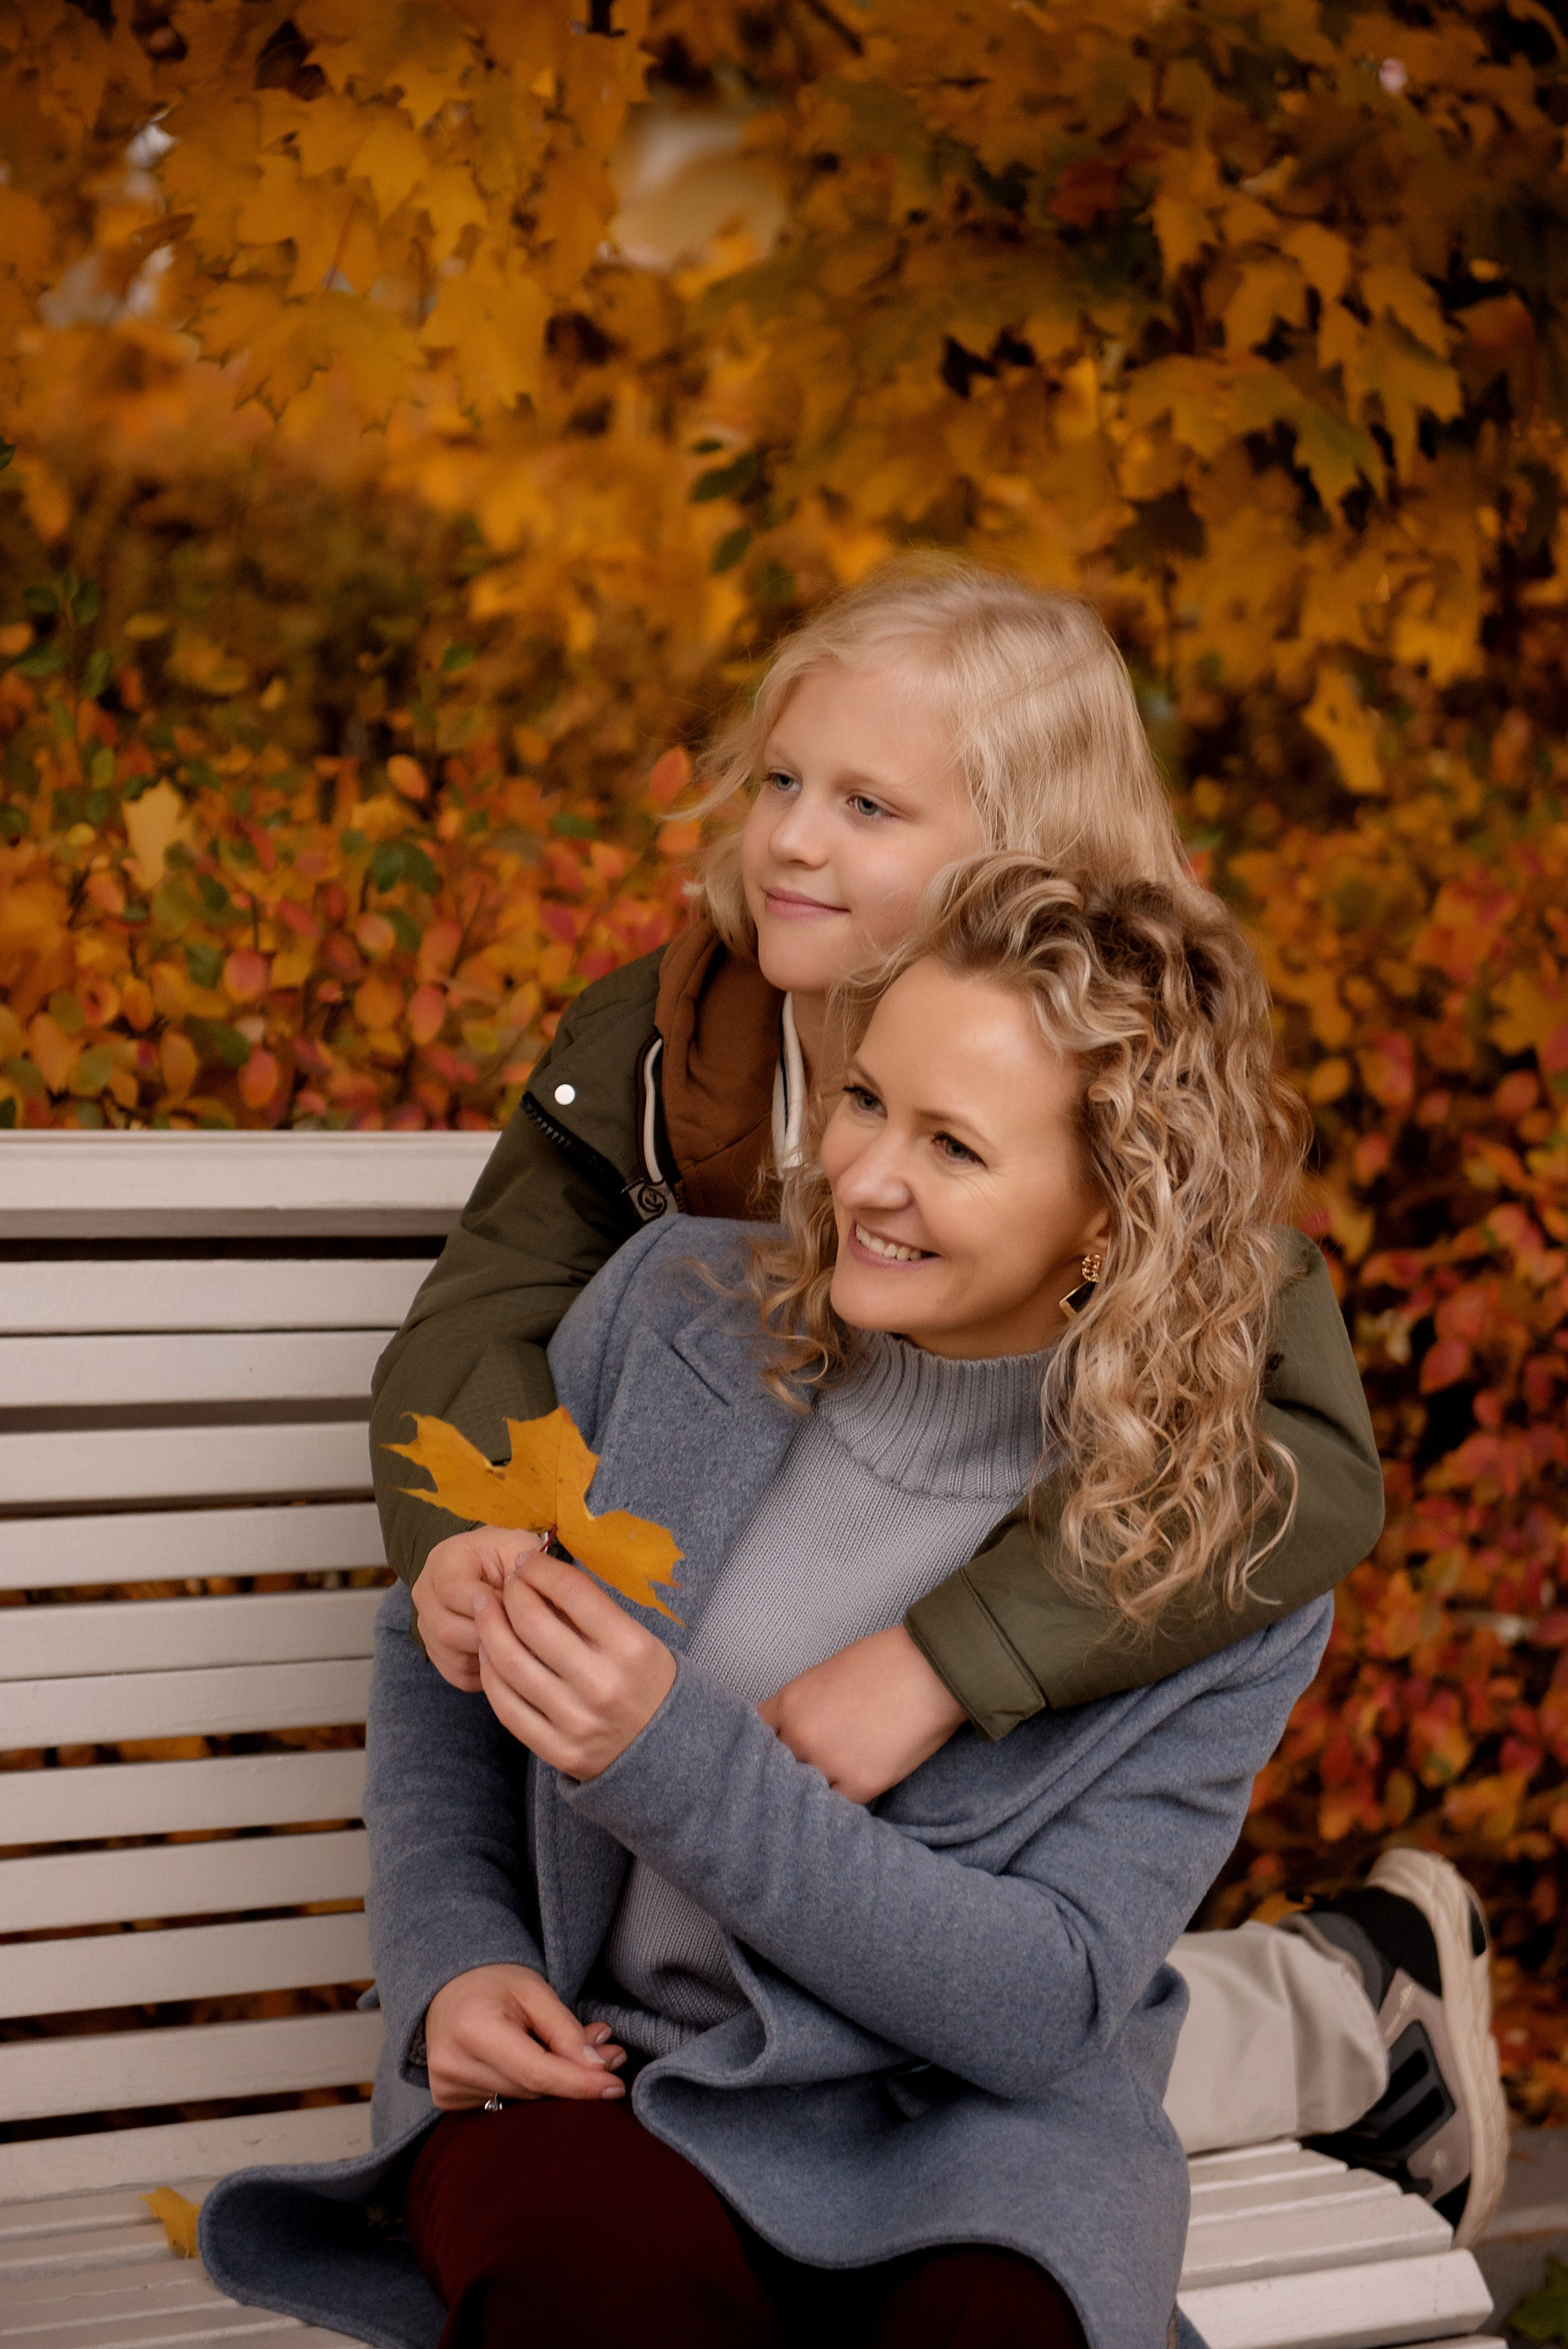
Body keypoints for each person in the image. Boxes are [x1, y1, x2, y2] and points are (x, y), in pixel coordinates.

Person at [199, 861, 1498, 2349]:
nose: (865, 1175)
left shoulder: (1210, 1547)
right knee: (596, 2297)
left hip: (963, 2131)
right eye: (867, 1100)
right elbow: (440, 1659)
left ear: (1108, 1213)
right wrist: (455, 1958)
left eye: (953, 1146)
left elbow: (1043, 1998)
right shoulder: (667, 1311)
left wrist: (668, 1758)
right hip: (605, 2075)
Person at [372, 555, 1384, 1794]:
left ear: (1023, 852)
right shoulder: (667, 1041)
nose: (790, 839)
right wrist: (476, 1528)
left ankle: (1320, 1971)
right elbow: (488, 1307)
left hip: (987, 1683)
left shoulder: (1108, 1077)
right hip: (693, 1653)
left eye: (868, 808)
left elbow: (1299, 1457)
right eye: (782, 781)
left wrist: (942, 1662)